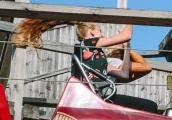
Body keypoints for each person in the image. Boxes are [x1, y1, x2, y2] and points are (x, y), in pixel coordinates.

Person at [14, 19, 158, 113]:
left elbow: (124, 74)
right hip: (96, 99)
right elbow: (126, 35)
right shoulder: (87, 44)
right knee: (150, 106)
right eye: (100, 31)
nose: (102, 35)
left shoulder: (97, 58)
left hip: (100, 98)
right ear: (92, 32)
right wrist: (130, 18)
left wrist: (126, 48)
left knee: (149, 105)